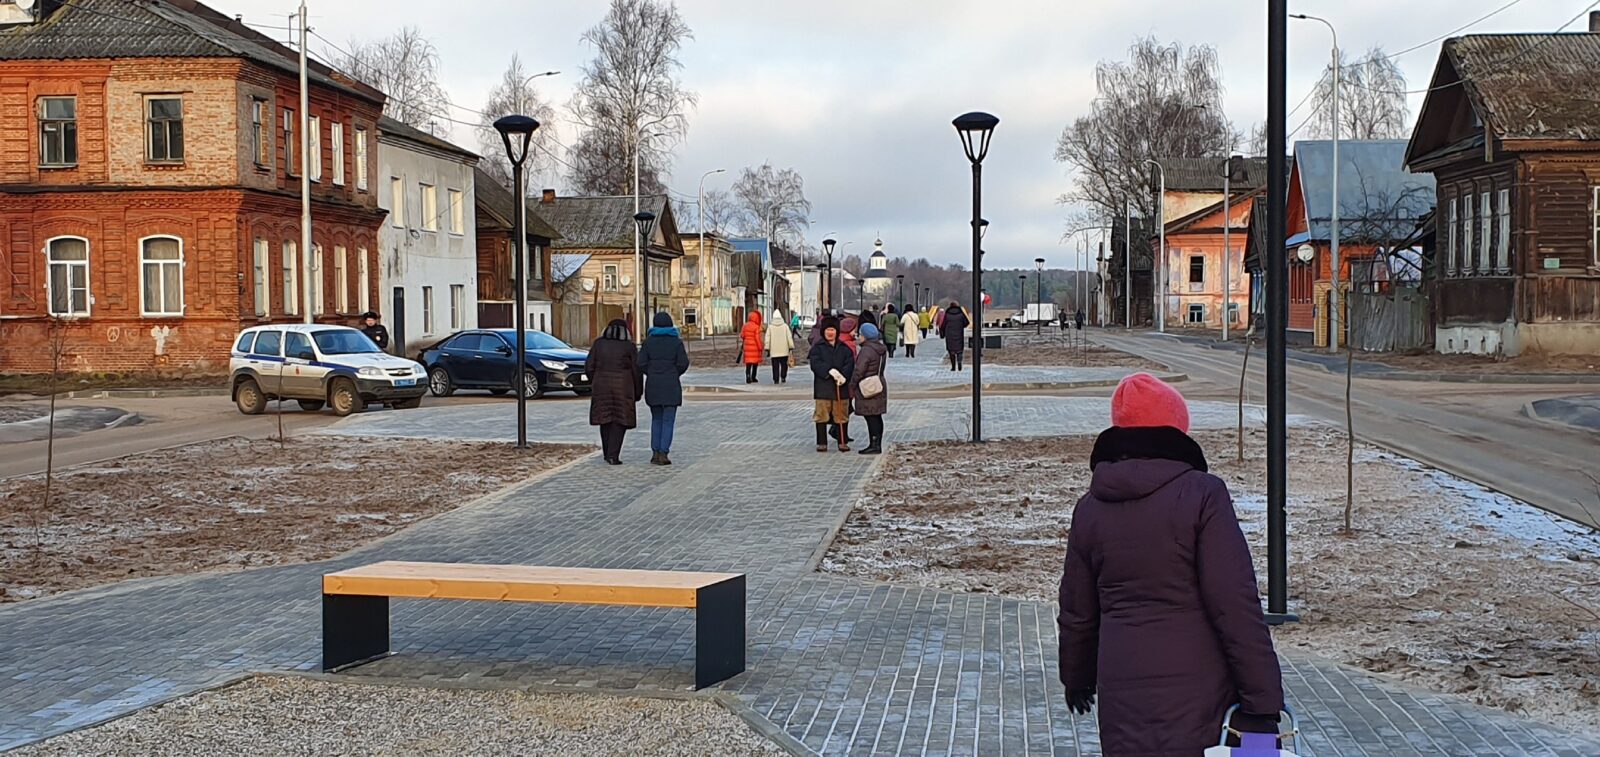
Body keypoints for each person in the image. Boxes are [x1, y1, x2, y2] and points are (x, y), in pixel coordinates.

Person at [1058, 373, 1285, 754]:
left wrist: (1077, 677)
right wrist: (1262, 702)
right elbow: (1234, 604)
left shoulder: (1091, 507)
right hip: (1198, 684)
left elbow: (1078, 610)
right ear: (1177, 429)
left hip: (1122, 682)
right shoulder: (1202, 495)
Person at [587, 319, 642, 465]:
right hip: (623, 388)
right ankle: (613, 455)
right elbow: (636, 371)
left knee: (604, 419)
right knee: (620, 420)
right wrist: (638, 391)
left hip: (601, 387)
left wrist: (596, 380)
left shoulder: (598, 344)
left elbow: (589, 366)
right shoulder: (628, 347)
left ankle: (607, 453)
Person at [639, 312, 689, 466]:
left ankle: (655, 452)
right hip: (671, 385)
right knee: (668, 420)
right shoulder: (676, 342)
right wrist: (673, 373)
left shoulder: (648, 342)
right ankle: (664, 452)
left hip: (653, 385)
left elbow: (640, 363)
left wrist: (652, 373)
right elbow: (683, 363)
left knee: (656, 419)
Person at [808, 315, 854, 452]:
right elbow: (815, 364)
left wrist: (843, 376)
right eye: (828, 330)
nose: (830, 332)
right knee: (821, 415)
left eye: (833, 330)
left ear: (837, 331)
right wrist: (829, 372)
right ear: (823, 331)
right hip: (823, 388)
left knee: (841, 415)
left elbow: (850, 363)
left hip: (841, 387)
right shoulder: (818, 348)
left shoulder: (844, 348)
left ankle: (842, 441)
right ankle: (822, 442)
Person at [851, 322, 889, 455]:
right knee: (876, 416)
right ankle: (877, 443)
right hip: (879, 383)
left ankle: (874, 445)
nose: (859, 336)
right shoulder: (880, 348)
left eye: (860, 334)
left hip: (867, 386)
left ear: (865, 336)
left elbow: (859, 370)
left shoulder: (866, 350)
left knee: (871, 417)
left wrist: (852, 384)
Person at [767, 308, 794, 384]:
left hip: (774, 350)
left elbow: (767, 338)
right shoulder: (785, 326)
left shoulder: (770, 327)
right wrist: (791, 346)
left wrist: (767, 348)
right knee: (784, 364)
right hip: (784, 350)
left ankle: (776, 379)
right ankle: (783, 377)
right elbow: (789, 337)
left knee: (775, 365)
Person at [942, 301, 970, 372]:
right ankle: (959, 363)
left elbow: (943, 324)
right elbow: (967, 322)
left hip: (949, 334)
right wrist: (961, 326)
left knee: (951, 351)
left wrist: (943, 332)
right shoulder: (961, 313)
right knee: (959, 350)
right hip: (959, 333)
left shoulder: (947, 314)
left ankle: (953, 366)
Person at [740, 312, 764, 384]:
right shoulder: (756, 327)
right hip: (755, 348)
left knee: (748, 364)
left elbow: (742, 335)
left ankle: (747, 376)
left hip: (747, 347)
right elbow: (757, 338)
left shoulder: (745, 326)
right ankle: (753, 377)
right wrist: (760, 347)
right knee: (755, 363)